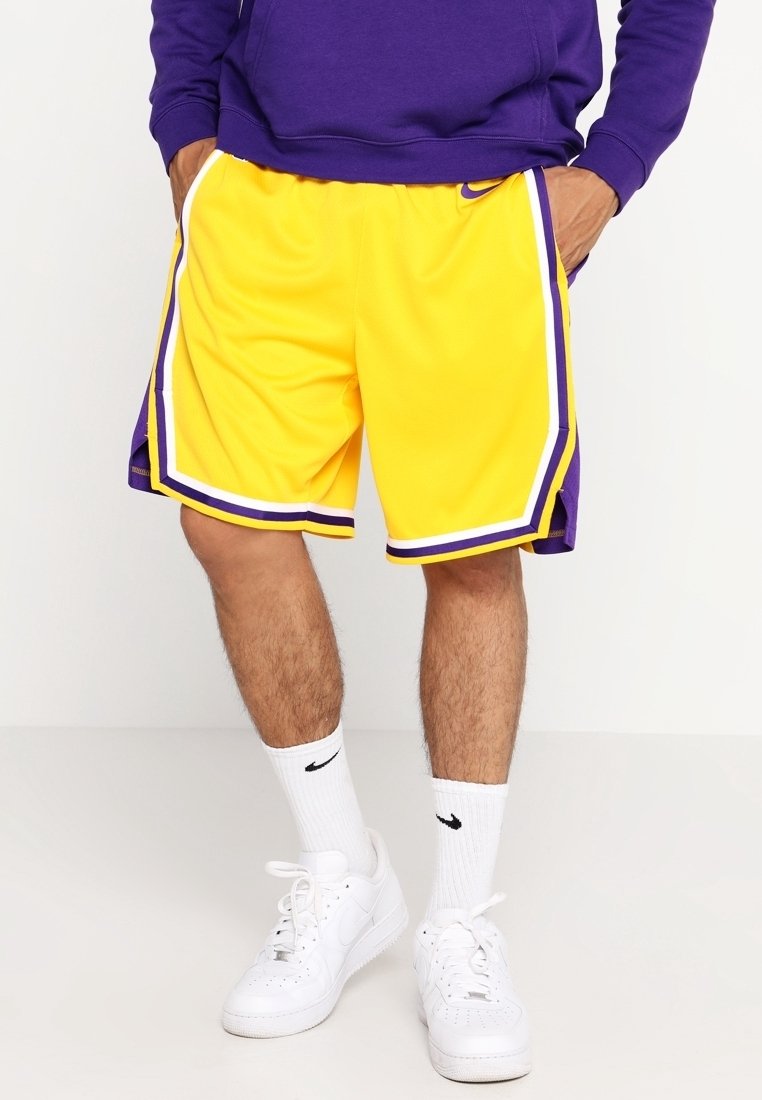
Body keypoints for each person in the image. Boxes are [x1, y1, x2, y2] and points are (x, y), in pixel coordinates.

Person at [128, 1, 715, 1083]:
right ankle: (341, 868)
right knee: (226, 521)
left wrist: (613, 167)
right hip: (263, 189)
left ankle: (459, 918)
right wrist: (185, 136)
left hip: (479, 197)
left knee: (471, 547)